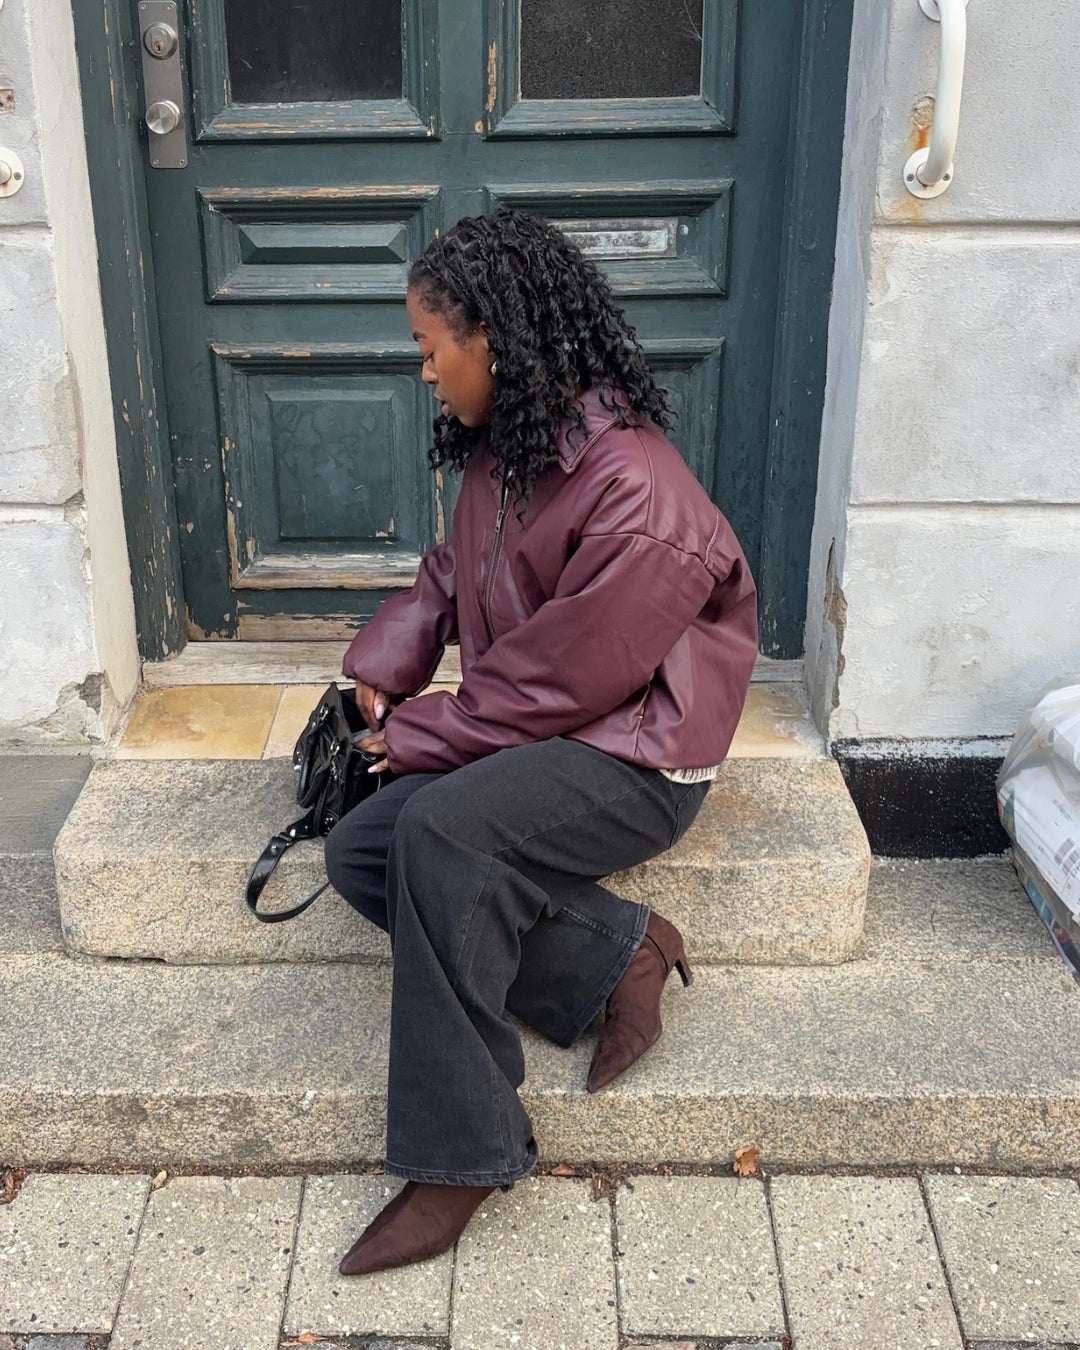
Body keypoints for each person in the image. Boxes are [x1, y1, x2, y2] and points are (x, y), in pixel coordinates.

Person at [323, 208, 757, 1277]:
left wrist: (425, 734)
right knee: (364, 849)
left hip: (639, 756)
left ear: (493, 338)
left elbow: (565, 680)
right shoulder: (514, 445)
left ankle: (462, 1156)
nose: (425, 370)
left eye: (432, 346)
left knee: (440, 833)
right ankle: (621, 955)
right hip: (552, 725)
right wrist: (389, 662)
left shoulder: (637, 492)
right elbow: (453, 571)